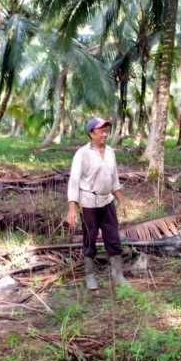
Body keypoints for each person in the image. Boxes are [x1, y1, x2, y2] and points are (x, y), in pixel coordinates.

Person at [67, 117, 128, 290]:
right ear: (91, 133)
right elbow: (74, 180)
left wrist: (121, 200)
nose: (105, 134)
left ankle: (118, 275)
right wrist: (72, 207)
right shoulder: (82, 153)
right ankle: (90, 275)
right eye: (101, 130)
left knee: (113, 237)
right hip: (88, 203)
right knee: (90, 238)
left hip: (107, 201)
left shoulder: (110, 151)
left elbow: (114, 178)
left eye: (106, 130)